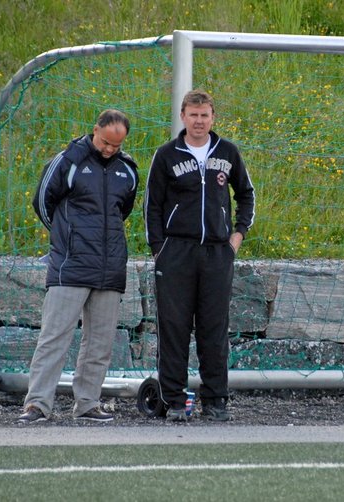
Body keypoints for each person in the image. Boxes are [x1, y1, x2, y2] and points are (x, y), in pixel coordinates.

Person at [17, 109, 139, 424]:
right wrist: (65, 240)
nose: (110, 149)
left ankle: (87, 403)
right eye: (105, 142)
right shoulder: (67, 161)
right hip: (69, 266)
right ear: (94, 130)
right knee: (54, 337)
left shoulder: (128, 171)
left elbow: (122, 210)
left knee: (100, 342)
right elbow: (43, 202)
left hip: (110, 268)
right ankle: (37, 405)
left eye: (117, 144)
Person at [144, 89, 255, 422]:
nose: (199, 121)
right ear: (183, 116)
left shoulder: (229, 152)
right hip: (176, 253)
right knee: (174, 328)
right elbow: (152, 204)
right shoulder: (167, 155)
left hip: (217, 254)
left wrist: (236, 236)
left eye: (205, 115)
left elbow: (246, 195)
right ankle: (175, 400)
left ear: (213, 117)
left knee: (214, 328)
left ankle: (216, 400)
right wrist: (159, 249)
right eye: (193, 115)